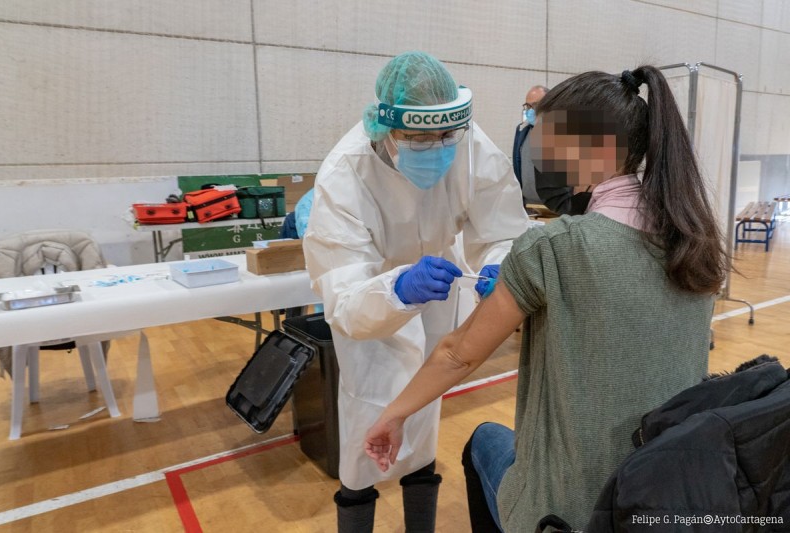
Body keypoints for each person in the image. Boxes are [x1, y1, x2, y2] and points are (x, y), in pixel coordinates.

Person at [364, 65, 728, 531]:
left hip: (574, 512)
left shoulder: (557, 246)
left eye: (549, 140)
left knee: (483, 442)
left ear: (598, 149)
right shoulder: (695, 244)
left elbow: (458, 354)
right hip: (671, 497)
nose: (540, 156)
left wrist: (392, 416)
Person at [303, 51, 529, 532]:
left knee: (424, 426)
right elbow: (342, 297)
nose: (438, 148)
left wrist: (498, 267)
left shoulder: (468, 142)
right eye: (420, 138)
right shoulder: (345, 173)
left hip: (440, 299)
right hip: (372, 315)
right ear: (385, 130)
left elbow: (504, 228)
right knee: (365, 440)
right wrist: (399, 288)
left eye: (446, 135)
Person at [512, 85, 548, 209]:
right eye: (528, 106)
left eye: (535, 105)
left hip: (554, 207)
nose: (531, 110)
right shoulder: (522, 131)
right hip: (528, 206)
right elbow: (517, 165)